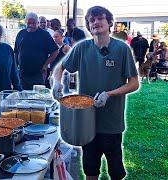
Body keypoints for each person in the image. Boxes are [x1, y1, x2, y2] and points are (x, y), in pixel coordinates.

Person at [52, 6, 139, 180]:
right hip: (86, 122)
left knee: (115, 171)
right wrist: (56, 83)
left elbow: (134, 83)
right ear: (88, 26)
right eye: (91, 20)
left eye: (100, 18)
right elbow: (60, 67)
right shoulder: (82, 47)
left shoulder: (121, 49)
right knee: (90, 169)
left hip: (111, 121)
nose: (95, 22)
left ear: (109, 22)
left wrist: (109, 94)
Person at [14, 12, 58, 90]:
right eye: (29, 23)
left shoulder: (44, 35)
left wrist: (45, 66)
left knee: (37, 97)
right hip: (23, 74)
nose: (31, 25)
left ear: (37, 23)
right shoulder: (21, 34)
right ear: (25, 23)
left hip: (38, 74)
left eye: (33, 23)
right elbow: (16, 52)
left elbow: (55, 52)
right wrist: (16, 66)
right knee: (24, 98)